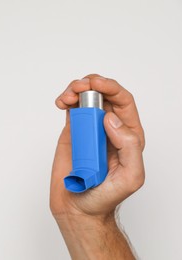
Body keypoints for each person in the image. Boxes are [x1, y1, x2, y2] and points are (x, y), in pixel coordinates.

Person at [50, 74, 145, 259]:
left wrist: (86, 217)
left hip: (90, 173)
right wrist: (81, 216)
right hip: (84, 173)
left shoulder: (95, 117)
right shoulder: (83, 117)